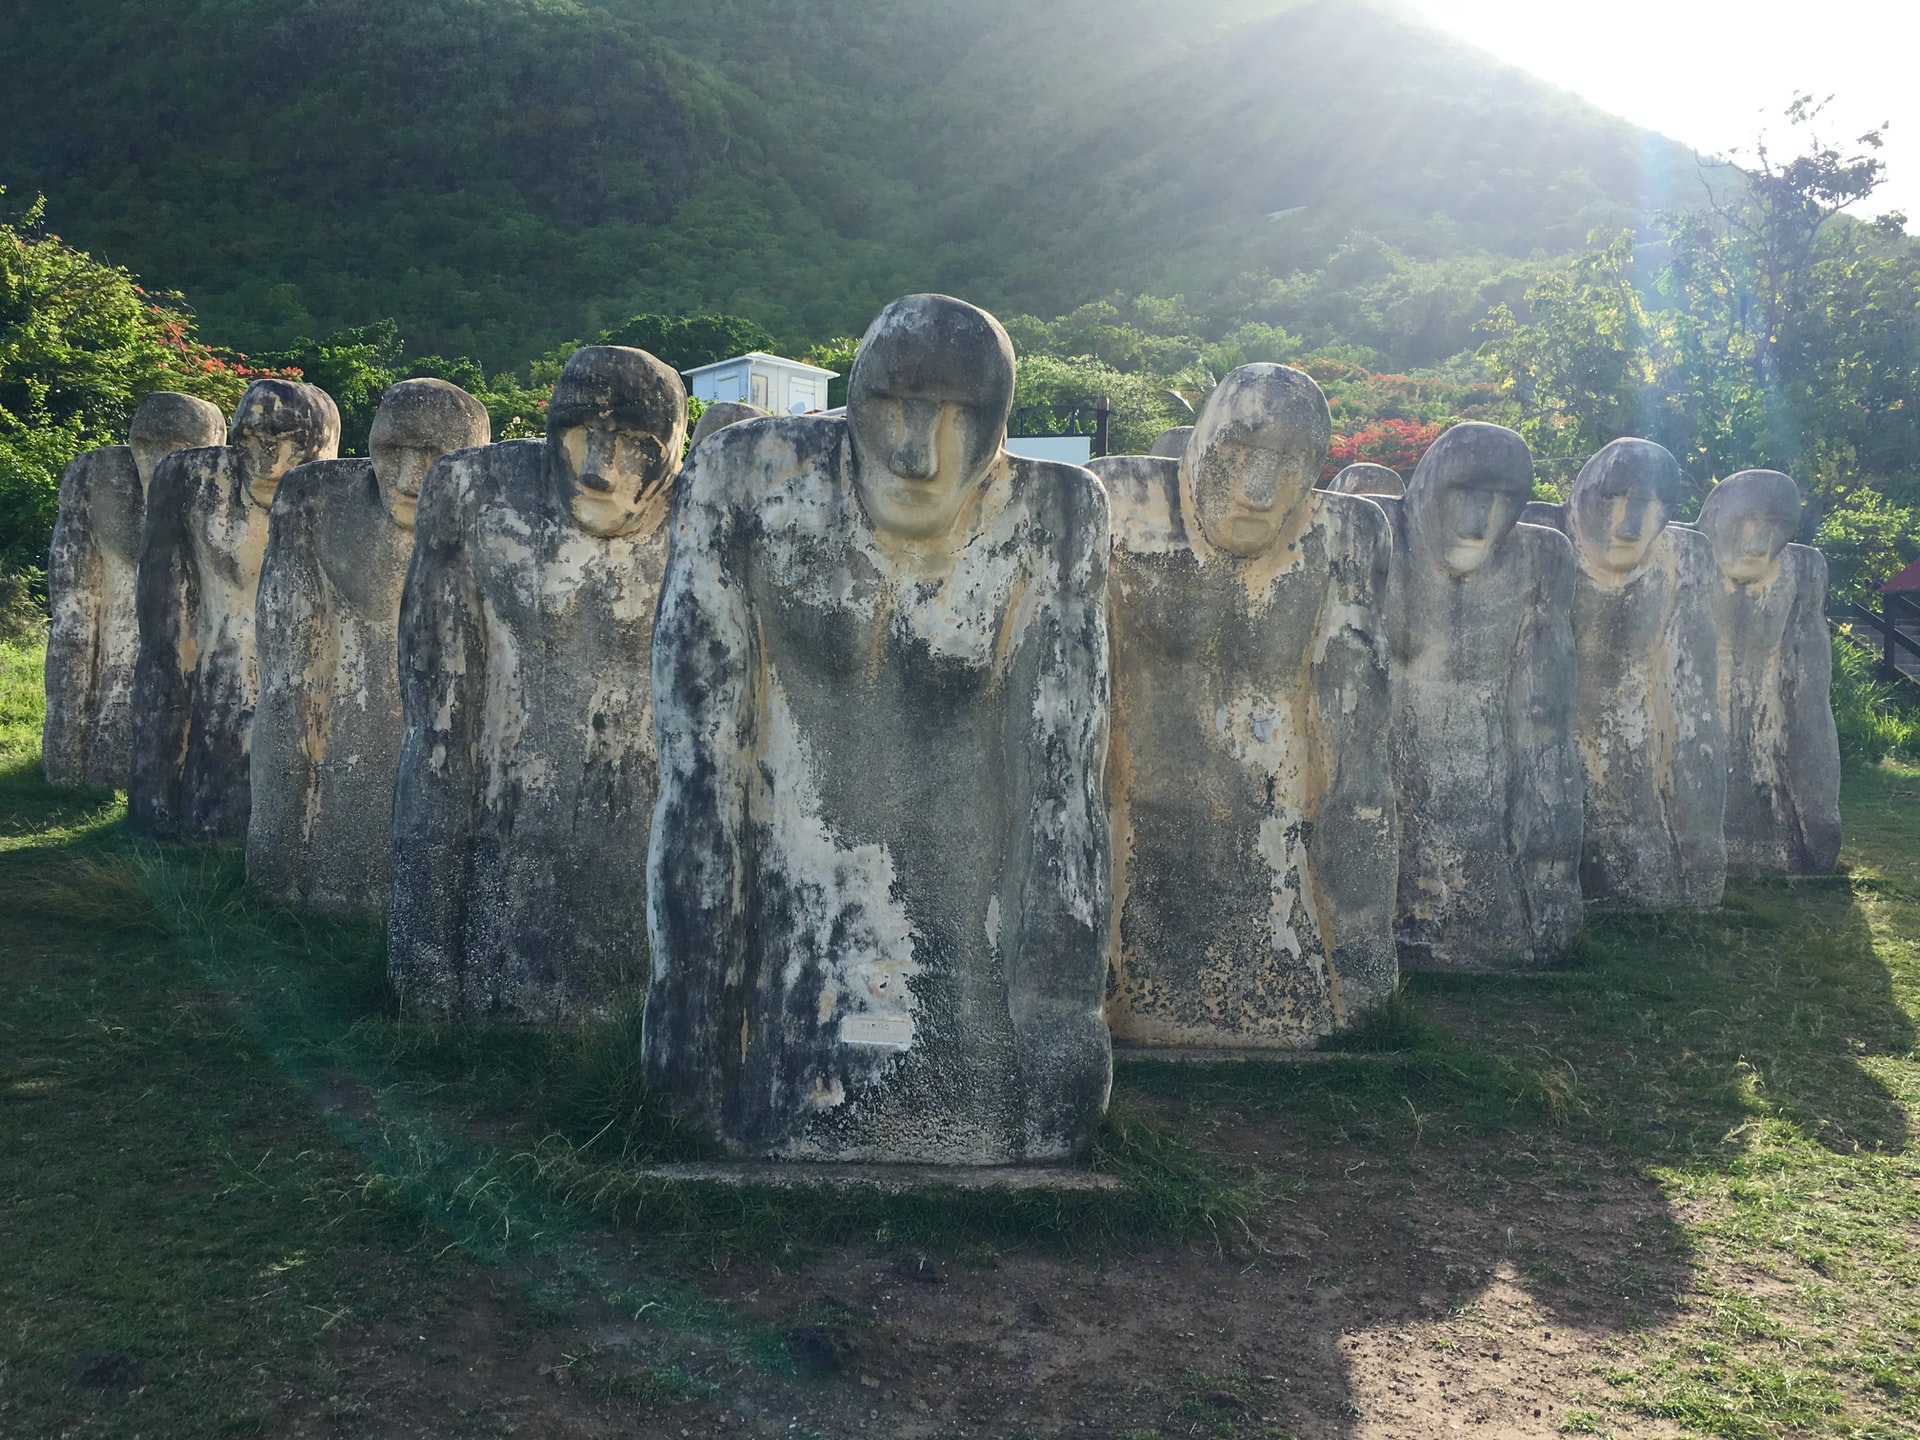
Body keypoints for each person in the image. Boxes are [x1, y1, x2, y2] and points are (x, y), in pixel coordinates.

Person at [643, 294, 1113, 1164]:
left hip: (971, 979)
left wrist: (1061, 1030)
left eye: (958, 415)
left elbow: (1062, 791)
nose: (917, 453)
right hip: (788, 972)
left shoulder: (1056, 518)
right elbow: (701, 768)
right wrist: (690, 1021)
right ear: (853, 398)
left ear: (999, 425)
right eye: (891, 405)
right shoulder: (747, 481)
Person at [1096, 364, 1396, 1049]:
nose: (1259, 490)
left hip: (1275, 900)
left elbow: (1357, 768)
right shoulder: (1117, 509)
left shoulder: (1342, 541)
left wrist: (1361, 959)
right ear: (1200, 442)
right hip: (1131, 879)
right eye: (1238, 452)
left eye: (1289, 464)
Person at [389, 348, 685, 1018]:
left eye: (636, 445)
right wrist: (423, 963)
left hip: (643, 872)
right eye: (581, 435)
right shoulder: (476, 495)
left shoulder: (710, 517)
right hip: (505, 871)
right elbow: (436, 732)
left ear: (671, 449)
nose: (599, 472)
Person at [248, 379, 490, 914]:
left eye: (433, 456)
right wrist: (276, 853)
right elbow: (288, 680)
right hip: (347, 767)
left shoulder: (505, 519)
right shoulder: (317, 501)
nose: (407, 479)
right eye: (391, 452)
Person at [129, 379, 339, 839]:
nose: (266, 461)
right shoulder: (191, 482)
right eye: (249, 440)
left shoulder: (342, 503)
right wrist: (153, 802)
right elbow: (164, 641)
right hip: (219, 702)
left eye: (285, 443)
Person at [43, 392, 225, 788]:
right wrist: (64, 752)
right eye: (146, 445)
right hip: (115, 684)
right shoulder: (96, 477)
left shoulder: (228, 495)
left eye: (175, 448)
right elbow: (72, 618)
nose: (157, 460)